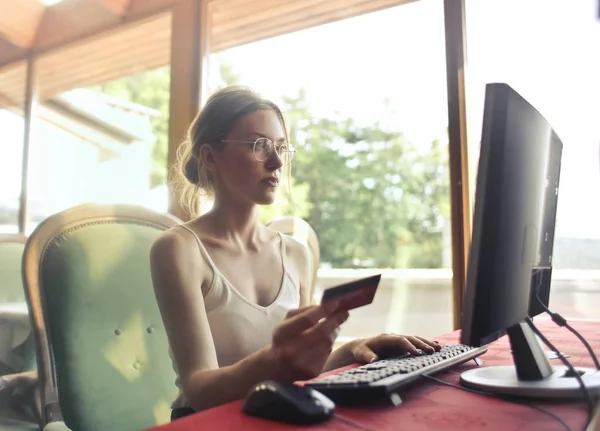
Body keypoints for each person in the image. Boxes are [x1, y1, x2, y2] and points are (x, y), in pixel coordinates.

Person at [150, 86, 441, 420]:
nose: (276, 162)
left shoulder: (296, 254)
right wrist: (272, 361)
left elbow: (298, 371)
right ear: (210, 156)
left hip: (274, 415)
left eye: (281, 148)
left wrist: (353, 349)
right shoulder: (179, 249)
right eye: (259, 146)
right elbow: (198, 391)